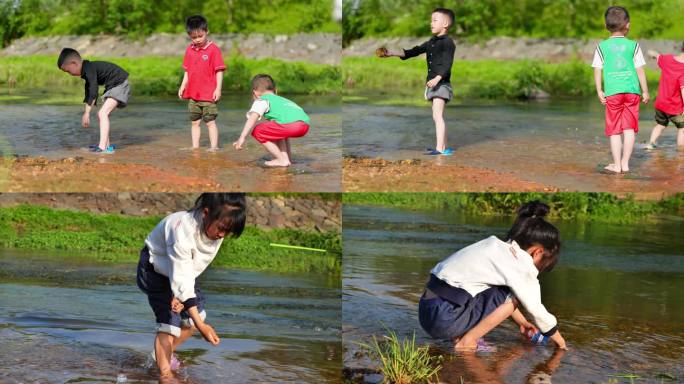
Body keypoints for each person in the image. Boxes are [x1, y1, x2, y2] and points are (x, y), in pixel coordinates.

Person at [418, 201, 568, 351]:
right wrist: (561, 343)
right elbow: (537, 311)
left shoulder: (494, 245)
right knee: (514, 298)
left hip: (426, 309)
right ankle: (467, 341)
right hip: (444, 318)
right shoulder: (521, 265)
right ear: (538, 252)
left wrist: (522, 323)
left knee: (498, 290)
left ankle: (459, 335)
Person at [136, 193, 246, 380]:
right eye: (221, 229)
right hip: (155, 268)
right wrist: (179, 293)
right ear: (206, 213)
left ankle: (161, 355)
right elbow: (179, 270)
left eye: (228, 232)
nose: (222, 235)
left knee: (194, 320)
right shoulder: (182, 229)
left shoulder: (215, 232)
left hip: (181, 274)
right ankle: (165, 375)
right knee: (169, 322)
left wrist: (181, 295)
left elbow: (194, 267)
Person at [376, 8, 456, 156]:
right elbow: (413, 51)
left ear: (445, 23)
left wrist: (438, 78)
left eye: (435, 20)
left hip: (442, 84)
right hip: (434, 84)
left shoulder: (448, 42)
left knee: (438, 116)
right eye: (431, 20)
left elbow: (447, 63)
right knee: (437, 116)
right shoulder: (431, 42)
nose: (431, 23)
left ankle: (440, 149)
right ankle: (443, 147)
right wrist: (392, 53)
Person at [592, 6, 649, 174]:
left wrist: (599, 90)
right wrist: (645, 91)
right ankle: (625, 164)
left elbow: (597, 69)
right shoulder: (634, 45)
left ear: (606, 26)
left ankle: (616, 166)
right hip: (632, 91)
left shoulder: (601, 46)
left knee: (615, 130)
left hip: (613, 93)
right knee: (629, 128)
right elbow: (640, 69)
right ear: (628, 25)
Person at [58, 48, 130, 153]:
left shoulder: (89, 68)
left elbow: (93, 90)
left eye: (68, 71)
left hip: (119, 84)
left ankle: (102, 147)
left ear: (74, 63)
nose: (69, 74)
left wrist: (87, 113)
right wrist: (86, 112)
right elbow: (89, 93)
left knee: (102, 113)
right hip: (113, 86)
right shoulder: (87, 70)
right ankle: (106, 146)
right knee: (101, 114)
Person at [233, 74, 310, 167]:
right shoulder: (282, 100)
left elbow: (252, 118)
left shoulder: (262, 100)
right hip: (305, 124)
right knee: (277, 131)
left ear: (255, 93)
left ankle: (281, 160)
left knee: (258, 130)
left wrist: (242, 137)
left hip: (291, 125)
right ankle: (286, 159)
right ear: (276, 91)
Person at [178, 15, 226, 151]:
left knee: (210, 122)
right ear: (189, 36)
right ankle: (195, 147)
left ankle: (214, 147)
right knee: (195, 122)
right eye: (194, 37)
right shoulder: (189, 50)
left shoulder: (214, 50)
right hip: (193, 93)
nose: (197, 40)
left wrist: (218, 89)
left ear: (207, 31)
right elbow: (187, 71)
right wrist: (183, 86)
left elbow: (219, 71)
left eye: (200, 36)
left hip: (209, 93)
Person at [645, 43, 684, 149]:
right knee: (682, 128)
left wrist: (651, 52)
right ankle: (681, 152)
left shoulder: (667, 59)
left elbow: (656, 55)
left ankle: (650, 143)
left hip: (661, 104)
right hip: (675, 107)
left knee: (661, 125)